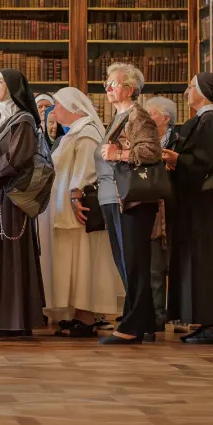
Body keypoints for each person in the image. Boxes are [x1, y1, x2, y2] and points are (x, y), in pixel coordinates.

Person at [160, 73, 213, 344]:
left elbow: (205, 161)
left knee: (206, 265)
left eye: (190, 87)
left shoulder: (211, 120)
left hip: (207, 209)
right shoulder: (204, 120)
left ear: (204, 92)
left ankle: (208, 324)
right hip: (202, 207)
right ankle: (204, 321)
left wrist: (177, 159)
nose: (186, 91)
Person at [40, 88, 122, 338]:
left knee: (85, 262)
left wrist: (75, 196)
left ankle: (85, 317)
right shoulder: (75, 132)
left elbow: (87, 171)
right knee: (74, 263)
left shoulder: (86, 133)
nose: (54, 111)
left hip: (80, 208)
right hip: (67, 208)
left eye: (58, 106)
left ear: (73, 108)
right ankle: (78, 314)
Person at [0, 69, 46, 339]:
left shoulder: (23, 121)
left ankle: (15, 323)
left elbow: (16, 160)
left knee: (12, 257)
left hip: (11, 198)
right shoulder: (2, 118)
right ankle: (0, 320)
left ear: (13, 88)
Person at [96, 64, 163, 345]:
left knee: (133, 264)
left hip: (131, 201)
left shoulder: (138, 115)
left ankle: (134, 325)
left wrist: (120, 153)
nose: (108, 88)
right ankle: (142, 320)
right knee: (126, 264)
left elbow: (151, 150)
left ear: (130, 89)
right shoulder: (118, 116)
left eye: (113, 83)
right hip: (114, 198)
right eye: (107, 84)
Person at [145, 95, 180, 329]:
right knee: (153, 267)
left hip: (175, 211)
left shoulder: (181, 142)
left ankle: (178, 314)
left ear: (165, 118)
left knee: (176, 265)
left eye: (151, 114)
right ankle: (156, 316)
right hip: (151, 211)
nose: (146, 119)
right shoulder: (143, 142)